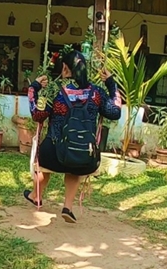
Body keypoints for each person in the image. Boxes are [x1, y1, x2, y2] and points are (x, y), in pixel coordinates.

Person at [24, 50, 121, 223]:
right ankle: (67, 206)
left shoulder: (55, 90)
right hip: (84, 157)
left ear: (66, 69)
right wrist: (111, 85)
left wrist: (34, 88)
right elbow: (115, 112)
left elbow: (37, 115)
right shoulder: (96, 93)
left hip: (53, 155)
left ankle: (35, 195)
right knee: (75, 160)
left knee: (45, 159)